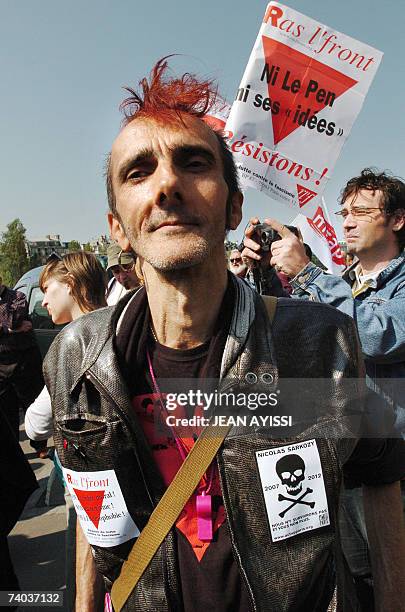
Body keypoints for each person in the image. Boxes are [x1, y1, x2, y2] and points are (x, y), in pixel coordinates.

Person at [44, 59, 405, 612]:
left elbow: (381, 475)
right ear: (117, 225)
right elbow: (93, 508)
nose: (167, 185)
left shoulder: (317, 345)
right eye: (139, 173)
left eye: (193, 164)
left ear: (234, 206)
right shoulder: (77, 356)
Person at [242, 168, 405, 608]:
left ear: (397, 220)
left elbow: (376, 336)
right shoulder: (346, 280)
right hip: (344, 454)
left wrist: (311, 273)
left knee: (397, 573)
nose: (347, 221)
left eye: (362, 212)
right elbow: (293, 332)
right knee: (357, 576)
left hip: (394, 464)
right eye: (344, 212)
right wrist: (268, 274)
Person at [25, 252, 107, 612]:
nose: (43, 300)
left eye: (48, 289)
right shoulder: (126, 323)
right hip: (142, 492)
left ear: (71, 285)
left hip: (91, 494)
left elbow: (36, 423)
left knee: (85, 588)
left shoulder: (70, 342)